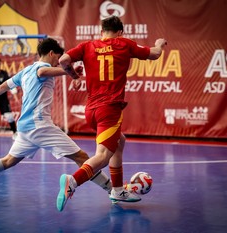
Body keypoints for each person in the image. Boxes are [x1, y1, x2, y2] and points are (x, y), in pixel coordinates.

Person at [0, 38, 112, 200]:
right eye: (58, 58)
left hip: (24, 127)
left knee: (9, 160)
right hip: (40, 126)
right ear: (51, 53)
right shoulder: (41, 67)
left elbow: (4, 86)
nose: (59, 62)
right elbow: (43, 73)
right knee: (82, 158)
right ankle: (112, 190)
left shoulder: (25, 71)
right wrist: (69, 72)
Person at [57, 16, 167, 211]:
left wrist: (73, 75)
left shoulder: (87, 45)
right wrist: (159, 43)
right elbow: (155, 54)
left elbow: (63, 60)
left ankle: (117, 190)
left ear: (102, 31)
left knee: (119, 142)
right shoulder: (124, 44)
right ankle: (73, 181)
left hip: (91, 110)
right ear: (120, 32)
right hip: (109, 109)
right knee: (103, 156)